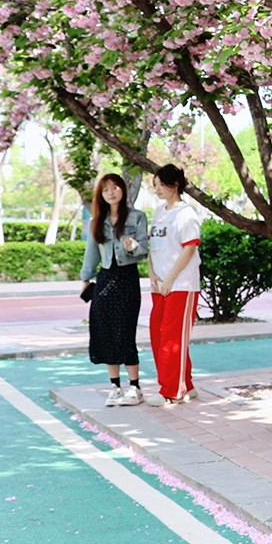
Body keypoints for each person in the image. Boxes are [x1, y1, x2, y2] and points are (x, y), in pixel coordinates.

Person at [80, 172, 150, 406]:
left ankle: (135, 387)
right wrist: (85, 279)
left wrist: (132, 246)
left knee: (125, 332)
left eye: (115, 188)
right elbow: (91, 252)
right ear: (101, 194)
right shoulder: (96, 220)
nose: (110, 193)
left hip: (127, 279)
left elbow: (144, 250)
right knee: (105, 332)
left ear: (123, 189)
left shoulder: (137, 217)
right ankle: (115, 387)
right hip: (105, 279)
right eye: (105, 189)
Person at [145, 163, 204, 405]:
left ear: (175, 184)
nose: (157, 189)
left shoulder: (186, 214)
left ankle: (172, 391)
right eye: (155, 185)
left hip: (181, 285)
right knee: (158, 334)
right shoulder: (160, 211)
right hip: (160, 285)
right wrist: (151, 272)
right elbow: (153, 245)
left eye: (161, 184)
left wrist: (170, 278)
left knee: (172, 338)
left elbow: (189, 249)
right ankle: (186, 385)